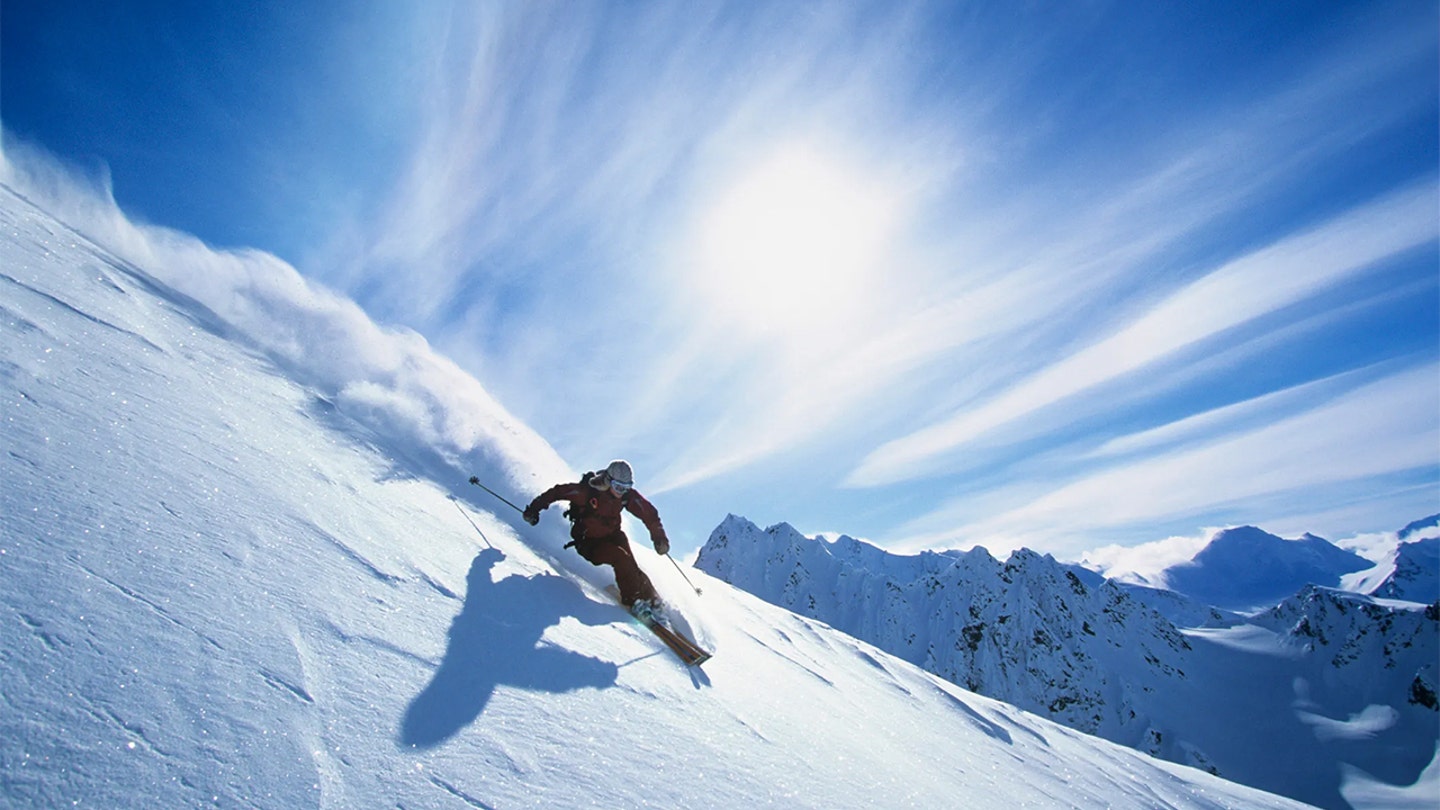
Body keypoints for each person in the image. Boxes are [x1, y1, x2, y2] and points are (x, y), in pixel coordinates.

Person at [523, 460, 670, 617]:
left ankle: (653, 601)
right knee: (621, 558)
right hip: (589, 543)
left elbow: (649, 513)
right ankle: (634, 601)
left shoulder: (625, 496)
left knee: (631, 565)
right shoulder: (586, 492)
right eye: (618, 487)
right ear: (608, 481)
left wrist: (659, 538)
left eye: (626, 488)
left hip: (613, 536)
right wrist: (533, 510)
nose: (621, 492)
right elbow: (557, 492)